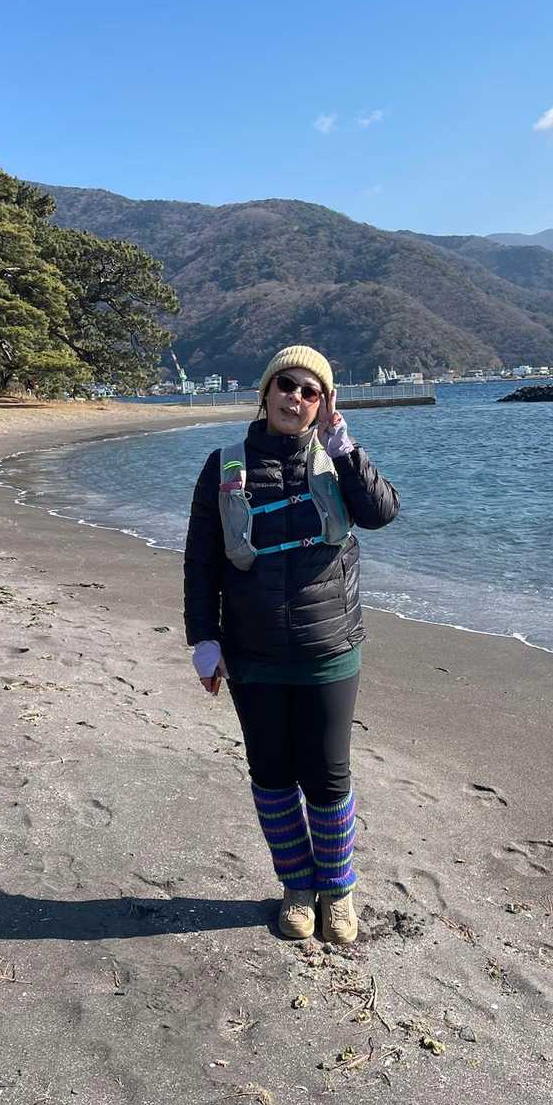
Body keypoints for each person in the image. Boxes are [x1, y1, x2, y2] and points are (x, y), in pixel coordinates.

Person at [183, 346, 399, 944]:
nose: (296, 398)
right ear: (266, 391)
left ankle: (339, 889)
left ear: (323, 403)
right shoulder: (223, 465)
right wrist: (203, 639)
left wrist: (343, 446)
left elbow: (381, 513)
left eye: (311, 391)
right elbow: (201, 560)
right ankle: (297, 888)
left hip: (329, 648)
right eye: (286, 385)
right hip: (252, 652)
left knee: (328, 776)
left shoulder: (336, 459)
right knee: (272, 774)